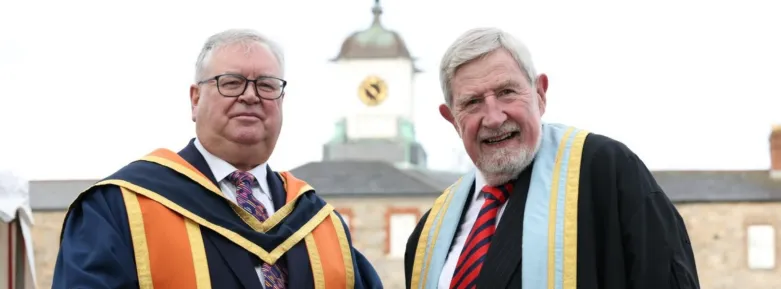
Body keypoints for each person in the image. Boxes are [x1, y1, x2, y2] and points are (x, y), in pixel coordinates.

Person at [53, 29, 383, 289]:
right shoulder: (122, 207)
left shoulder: (319, 222)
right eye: (232, 82)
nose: (250, 95)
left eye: (267, 85)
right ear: (195, 100)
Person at [404, 27, 700, 289]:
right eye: (472, 102)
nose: (493, 118)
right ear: (452, 119)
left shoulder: (606, 174)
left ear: (540, 94)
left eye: (507, 92)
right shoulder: (430, 233)